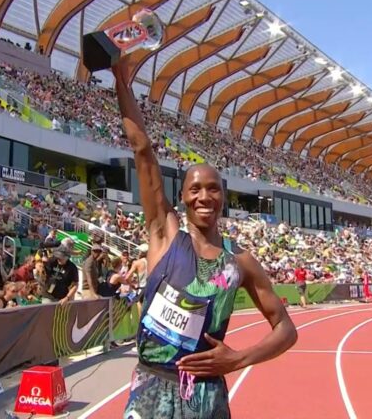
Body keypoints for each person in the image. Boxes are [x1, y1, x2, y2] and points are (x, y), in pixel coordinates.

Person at [111, 62, 297, 418]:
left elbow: (286, 330)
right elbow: (142, 149)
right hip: (150, 388)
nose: (204, 197)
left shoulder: (239, 261)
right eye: (195, 189)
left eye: (213, 189)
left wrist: (239, 358)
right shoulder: (163, 234)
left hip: (205, 398)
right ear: (182, 197)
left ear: (223, 197)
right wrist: (121, 81)